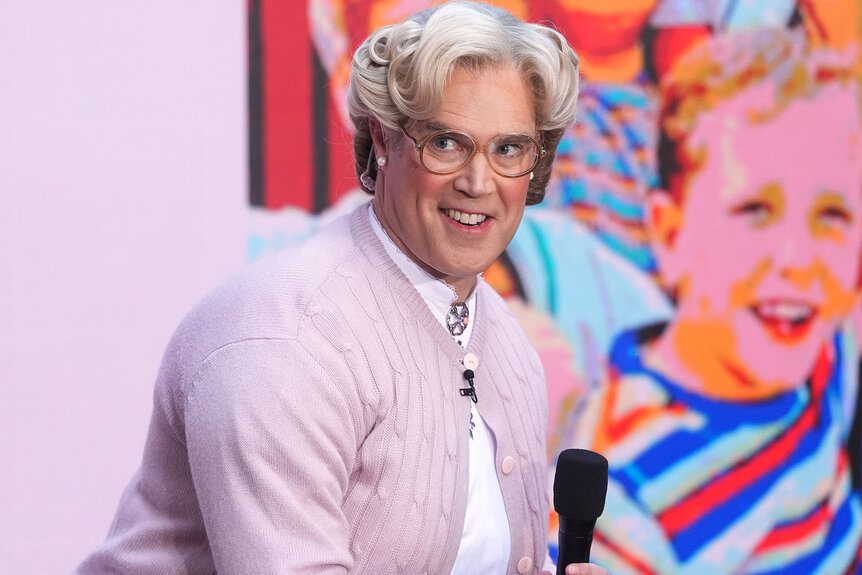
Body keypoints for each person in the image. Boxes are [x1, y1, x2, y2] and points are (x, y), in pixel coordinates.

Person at [74, 2, 606, 574]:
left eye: (508, 149)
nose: (478, 183)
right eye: (447, 142)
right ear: (383, 137)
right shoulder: (283, 341)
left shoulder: (503, 339)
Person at [571, 27, 862, 574]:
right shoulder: (625, 490)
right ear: (670, 235)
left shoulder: (820, 353)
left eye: (833, 215)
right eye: (755, 209)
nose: (800, 259)